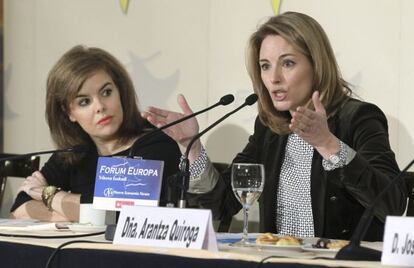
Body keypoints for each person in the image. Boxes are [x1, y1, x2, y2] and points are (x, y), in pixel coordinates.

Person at [142, 12, 407, 241]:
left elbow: (392, 204)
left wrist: (327, 143)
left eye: (288, 63)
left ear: (317, 64)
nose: (274, 78)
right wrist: (193, 146)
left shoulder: (358, 118)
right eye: (265, 66)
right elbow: (222, 205)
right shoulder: (271, 128)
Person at [11, 45, 181, 222]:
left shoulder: (155, 145)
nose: (100, 106)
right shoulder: (76, 152)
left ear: (120, 91)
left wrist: (49, 195)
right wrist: (81, 213)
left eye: (106, 92)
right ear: (69, 113)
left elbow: (122, 217)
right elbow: (20, 208)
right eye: (84, 101)